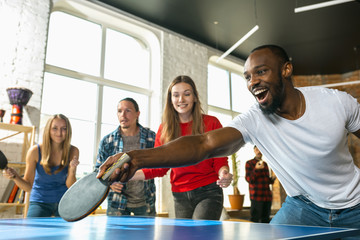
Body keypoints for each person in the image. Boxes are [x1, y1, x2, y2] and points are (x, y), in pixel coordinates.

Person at [98, 45, 360, 230]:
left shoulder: (337, 103)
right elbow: (204, 144)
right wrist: (135, 157)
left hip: (355, 204)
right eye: (247, 76)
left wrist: (222, 170)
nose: (252, 82)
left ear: (286, 69)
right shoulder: (254, 119)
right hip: (304, 207)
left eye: (261, 72)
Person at [120, 76, 232, 220]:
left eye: (187, 94)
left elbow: (219, 158)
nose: (181, 100)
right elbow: (158, 168)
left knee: (199, 234)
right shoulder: (165, 129)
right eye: (176, 95)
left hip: (208, 191)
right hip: (180, 195)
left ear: (195, 97)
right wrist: (126, 175)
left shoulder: (211, 123)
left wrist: (224, 173)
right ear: (170, 99)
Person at [2, 114, 79, 217]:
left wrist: (72, 171)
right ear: (48, 130)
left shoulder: (73, 151)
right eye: (55, 128)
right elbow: (28, 187)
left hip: (64, 202)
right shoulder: (34, 151)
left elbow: (71, 186)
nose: (59, 133)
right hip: (40, 202)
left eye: (64, 129)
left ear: (68, 131)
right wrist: (15, 177)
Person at [95, 97, 156, 216]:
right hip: (117, 204)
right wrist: (110, 184)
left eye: (128, 110)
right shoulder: (108, 141)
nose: (123, 115)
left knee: (147, 235)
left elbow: (160, 165)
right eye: (119, 111)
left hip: (146, 202)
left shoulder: (152, 138)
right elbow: (97, 171)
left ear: (137, 114)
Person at [245, 146, 276, 223]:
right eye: (257, 149)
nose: (259, 151)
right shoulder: (249, 163)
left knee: (266, 220)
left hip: (267, 197)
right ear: (254, 151)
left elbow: (266, 180)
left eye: (260, 149)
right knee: (254, 220)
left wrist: (273, 178)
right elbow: (249, 179)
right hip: (256, 196)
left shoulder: (265, 164)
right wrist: (256, 169)